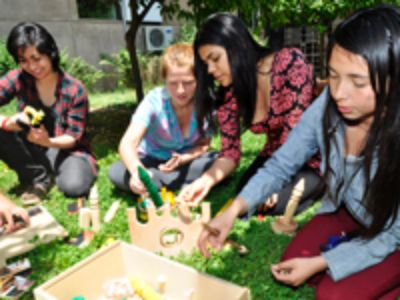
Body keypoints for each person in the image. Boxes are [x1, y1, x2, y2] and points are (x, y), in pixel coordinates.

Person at [198, 5, 400, 299]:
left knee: (332, 295)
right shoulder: (328, 106)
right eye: (333, 75)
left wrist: (324, 262)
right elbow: (281, 164)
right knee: (294, 262)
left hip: (393, 234)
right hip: (345, 212)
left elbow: (394, 233)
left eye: (357, 82)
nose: (340, 93)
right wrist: (232, 212)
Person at [178, 13, 321, 214]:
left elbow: (296, 139)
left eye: (215, 58)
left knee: (273, 203)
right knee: (244, 194)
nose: (210, 69)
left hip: (311, 155)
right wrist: (205, 181)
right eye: (205, 63)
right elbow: (230, 153)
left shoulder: (290, 63)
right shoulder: (229, 93)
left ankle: (324, 183)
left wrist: (273, 184)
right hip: (274, 155)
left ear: (239, 45)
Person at [0, 22, 97, 204]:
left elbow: (73, 138)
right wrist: (6, 122)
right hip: (33, 147)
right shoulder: (18, 78)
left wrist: (47, 141)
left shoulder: (74, 89)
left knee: (74, 186)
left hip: (68, 150)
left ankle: (55, 170)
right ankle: (39, 176)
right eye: (24, 60)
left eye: (36, 58)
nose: (32, 66)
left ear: (50, 52)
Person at [108, 43, 217, 194]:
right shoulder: (154, 101)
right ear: (164, 80)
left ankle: (159, 184)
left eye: (188, 83)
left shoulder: (208, 103)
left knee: (218, 161)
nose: (180, 90)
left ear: (199, 79)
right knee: (117, 171)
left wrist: (184, 158)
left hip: (187, 162)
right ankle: (173, 181)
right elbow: (127, 143)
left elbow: (204, 145)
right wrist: (137, 171)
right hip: (150, 161)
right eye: (173, 83)